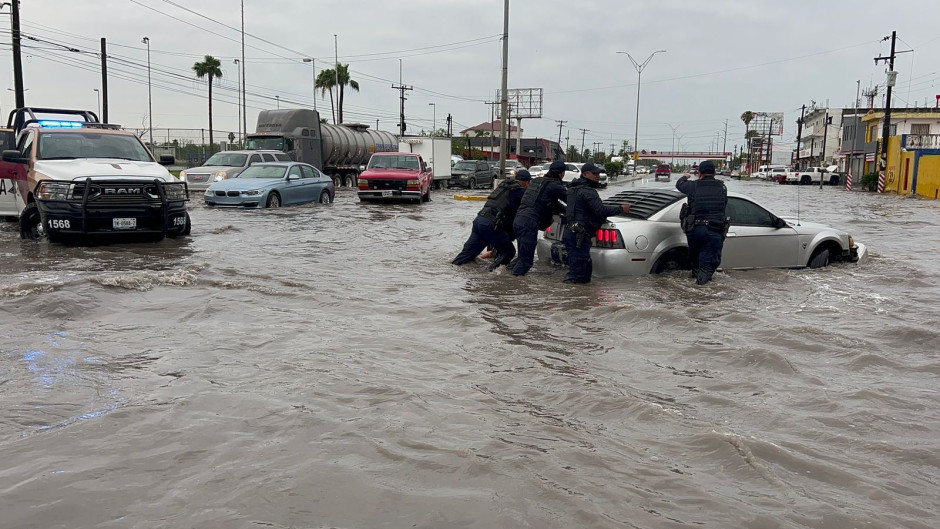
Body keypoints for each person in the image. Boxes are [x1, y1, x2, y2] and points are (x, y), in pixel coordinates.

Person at [562, 162, 630, 284]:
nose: (597, 176)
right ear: (585, 174)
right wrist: (621, 208)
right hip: (580, 235)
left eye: (598, 173)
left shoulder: (572, 189)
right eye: (594, 173)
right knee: (580, 274)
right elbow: (600, 210)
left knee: (576, 269)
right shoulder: (588, 191)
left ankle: (574, 298)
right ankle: (575, 300)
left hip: (571, 232)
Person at [452, 170, 531, 270]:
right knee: (509, 252)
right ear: (527, 182)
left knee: (465, 256)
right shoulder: (520, 192)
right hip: (491, 225)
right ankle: (489, 273)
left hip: (479, 221)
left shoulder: (502, 186)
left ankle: (448, 273)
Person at [509, 160, 568, 276]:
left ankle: (504, 276)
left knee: (522, 257)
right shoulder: (555, 186)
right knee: (526, 262)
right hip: (529, 223)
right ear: (561, 174)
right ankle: (511, 288)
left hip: (518, 220)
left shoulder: (536, 181)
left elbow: (552, 203)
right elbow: (571, 201)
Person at [675, 160, 728, 285]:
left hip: (694, 231)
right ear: (715, 173)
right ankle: (701, 299)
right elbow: (724, 206)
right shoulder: (722, 187)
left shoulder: (692, 186)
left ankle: (694, 290)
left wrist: (685, 176)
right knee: (706, 268)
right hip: (713, 230)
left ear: (699, 173)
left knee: (696, 265)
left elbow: (679, 184)